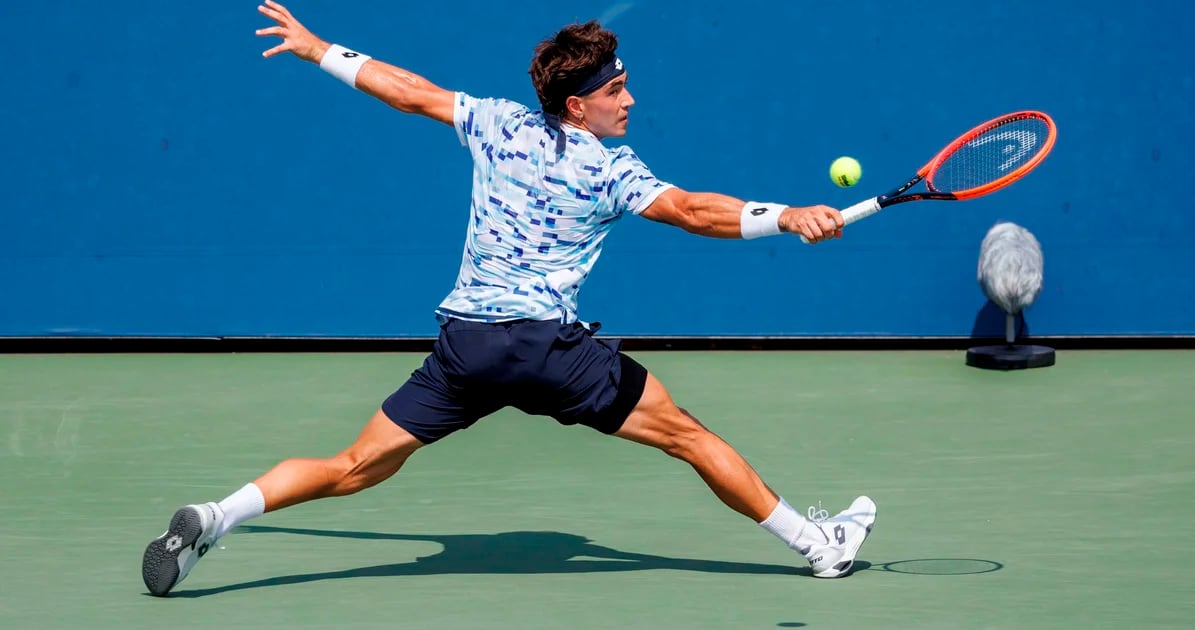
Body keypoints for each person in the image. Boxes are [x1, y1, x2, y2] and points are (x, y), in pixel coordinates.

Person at [141, 0, 876, 597]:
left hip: (467, 346)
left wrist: (316, 47)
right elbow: (689, 210)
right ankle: (819, 547)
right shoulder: (608, 169)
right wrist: (783, 216)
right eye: (615, 90)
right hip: (544, 348)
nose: (630, 100)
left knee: (355, 464)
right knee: (688, 436)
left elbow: (410, 92)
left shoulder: (496, 125)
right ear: (577, 106)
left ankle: (217, 515)